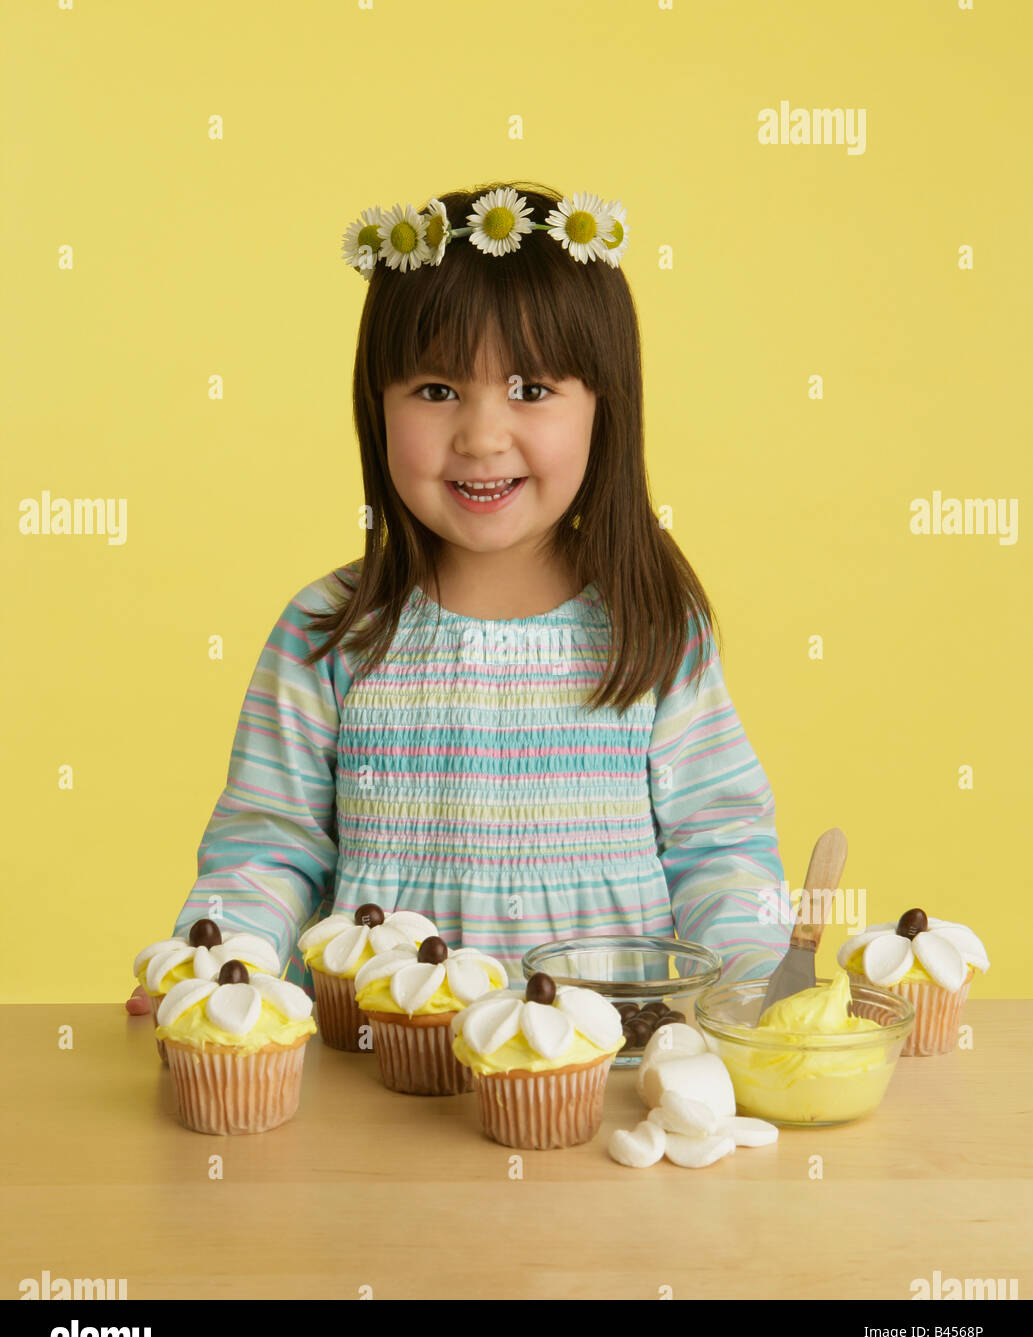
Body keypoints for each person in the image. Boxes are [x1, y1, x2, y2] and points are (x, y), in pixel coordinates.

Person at [127, 180, 792, 1011]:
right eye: (436, 391)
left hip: (614, 1064)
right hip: (382, 1067)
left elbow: (717, 846)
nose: (480, 435)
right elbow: (270, 846)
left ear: (604, 409)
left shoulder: (651, 624)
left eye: (531, 389)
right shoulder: (329, 633)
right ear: (377, 407)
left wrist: (755, 984)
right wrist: (217, 967)